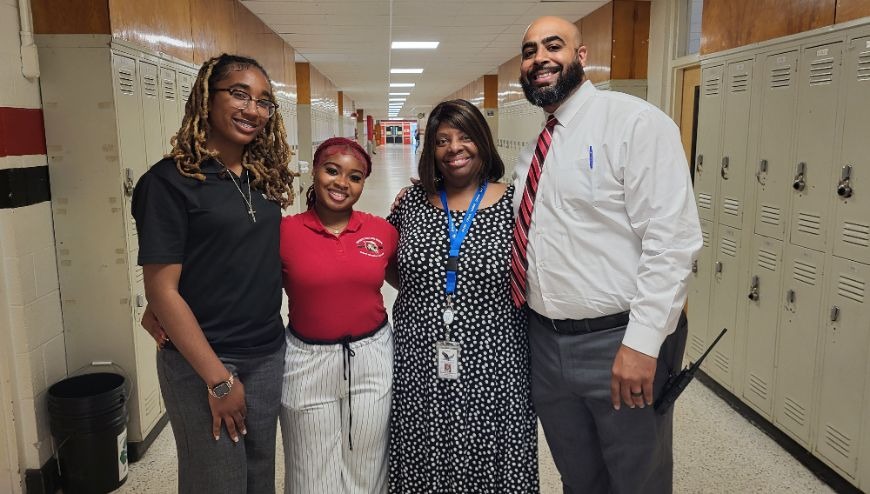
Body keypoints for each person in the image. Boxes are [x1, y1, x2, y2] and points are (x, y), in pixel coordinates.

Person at [512, 16, 702, 494]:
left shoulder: (634, 122)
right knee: (578, 477)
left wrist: (642, 343)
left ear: (580, 57)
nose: (540, 58)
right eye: (530, 50)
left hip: (618, 341)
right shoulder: (535, 147)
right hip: (546, 343)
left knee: (637, 479)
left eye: (553, 46)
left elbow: (672, 240)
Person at [132, 54, 295, 494]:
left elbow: (240, 258)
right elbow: (163, 289)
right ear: (206, 98)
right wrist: (219, 381)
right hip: (204, 360)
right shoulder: (168, 183)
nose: (253, 110)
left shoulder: (260, 180)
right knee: (217, 482)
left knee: (260, 477)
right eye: (239, 94)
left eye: (264, 101)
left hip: (266, 352)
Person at [387, 99, 539, 492]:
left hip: (496, 361)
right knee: (424, 450)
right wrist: (430, 293)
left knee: (491, 457)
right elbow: (385, 261)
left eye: (465, 136)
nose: (454, 147)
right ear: (431, 151)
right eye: (442, 140)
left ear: (483, 143)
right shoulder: (411, 203)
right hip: (419, 357)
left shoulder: (516, 202)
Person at [279, 137, 398, 493]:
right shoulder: (285, 232)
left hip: (372, 357)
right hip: (306, 361)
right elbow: (246, 287)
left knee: (368, 464)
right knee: (310, 472)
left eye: (355, 176)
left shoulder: (382, 231)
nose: (342, 183)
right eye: (332, 170)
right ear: (314, 172)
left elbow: (415, 280)